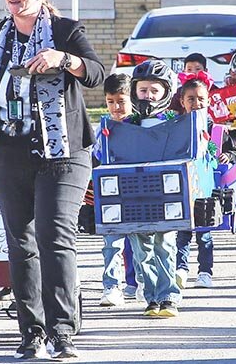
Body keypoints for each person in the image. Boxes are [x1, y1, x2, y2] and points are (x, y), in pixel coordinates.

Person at [0, 0, 105, 360]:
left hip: (63, 151)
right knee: (21, 241)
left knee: (54, 234)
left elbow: (98, 74)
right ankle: (31, 332)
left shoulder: (65, 30)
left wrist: (64, 60)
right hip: (9, 151)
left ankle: (62, 331)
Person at [175, 77, 236, 288]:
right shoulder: (175, 126)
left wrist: (227, 157)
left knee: (204, 235)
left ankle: (205, 272)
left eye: (201, 98)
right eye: (191, 99)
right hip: (183, 190)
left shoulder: (216, 130)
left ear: (209, 100)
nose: (196, 103)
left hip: (206, 191)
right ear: (182, 101)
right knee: (182, 233)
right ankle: (181, 270)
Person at [127, 59, 182, 318]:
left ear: (166, 93)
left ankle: (169, 295)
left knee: (165, 245)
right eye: (142, 90)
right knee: (141, 250)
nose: (147, 95)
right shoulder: (127, 125)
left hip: (165, 194)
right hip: (134, 194)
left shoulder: (174, 124)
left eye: (154, 90)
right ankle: (151, 296)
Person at [94, 73, 143, 307]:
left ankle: (143, 283)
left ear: (132, 99)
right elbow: (95, 156)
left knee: (140, 241)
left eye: (121, 101)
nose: (116, 107)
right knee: (111, 243)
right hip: (111, 193)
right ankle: (112, 286)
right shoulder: (103, 127)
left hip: (138, 193)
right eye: (110, 102)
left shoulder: (141, 125)